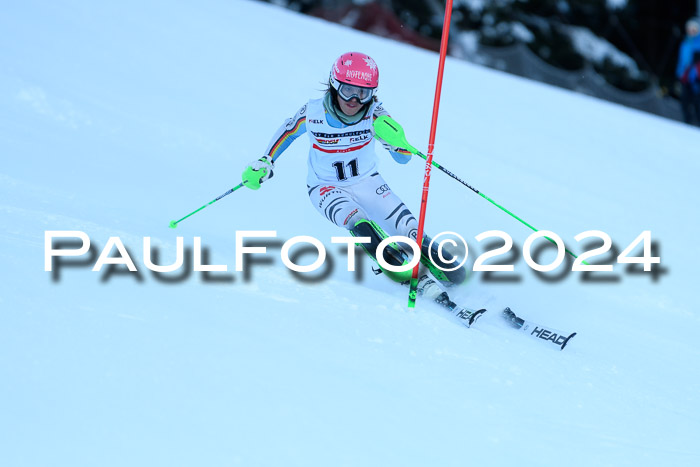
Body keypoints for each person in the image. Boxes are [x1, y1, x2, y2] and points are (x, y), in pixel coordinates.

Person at [240, 52, 481, 324]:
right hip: (325, 188)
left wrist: (397, 141)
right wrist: (266, 161)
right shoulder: (313, 112)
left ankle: (458, 278)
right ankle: (404, 273)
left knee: (413, 232)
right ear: (334, 84)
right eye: (348, 90)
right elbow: (287, 132)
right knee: (359, 223)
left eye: (363, 94)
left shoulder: (376, 115)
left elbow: (402, 158)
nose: (354, 100)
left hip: (369, 183)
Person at [676, 17, 700, 125]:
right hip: (686, 78)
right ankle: (687, 125)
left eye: (694, 28)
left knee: (697, 104)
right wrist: (679, 74)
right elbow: (682, 61)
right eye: (690, 28)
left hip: (697, 79)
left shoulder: (698, 43)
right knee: (685, 102)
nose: (691, 31)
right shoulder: (684, 44)